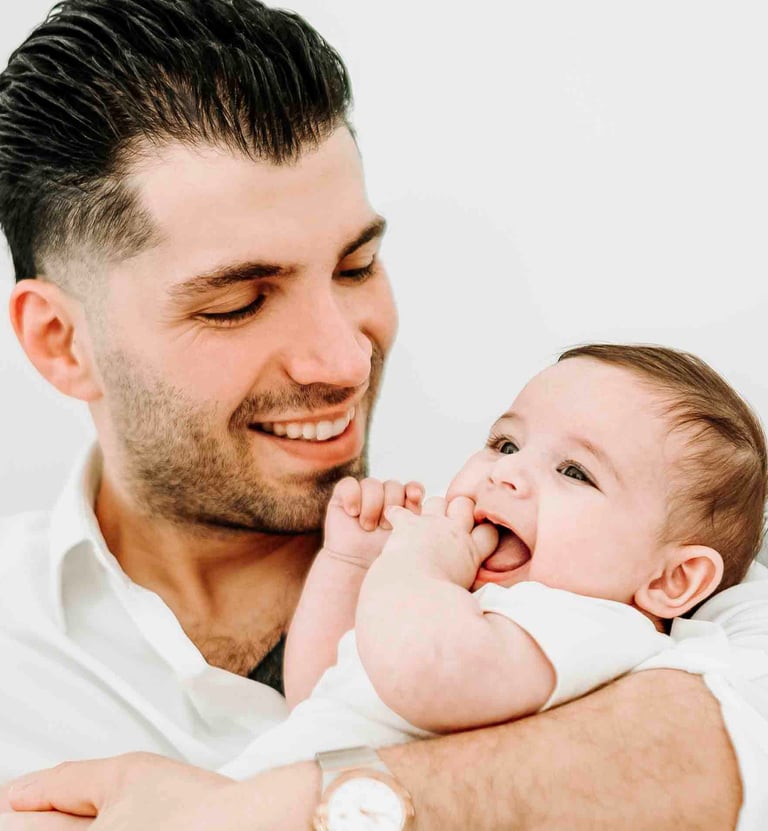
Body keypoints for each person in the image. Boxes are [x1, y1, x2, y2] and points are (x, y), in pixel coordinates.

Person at [0, 1, 766, 829]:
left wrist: (257, 814)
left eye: (357, 265)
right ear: (61, 341)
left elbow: (735, 738)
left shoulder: (650, 548)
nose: (344, 361)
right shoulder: (22, 661)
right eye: (238, 303)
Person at [217, 343, 768, 777]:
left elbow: (427, 673)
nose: (507, 472)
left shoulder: (593, 628)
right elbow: (321, 695)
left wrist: (419, 565)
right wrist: (351, 563)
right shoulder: (463, 608)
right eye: (506, 444)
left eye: (574, 472)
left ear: (672, 580)